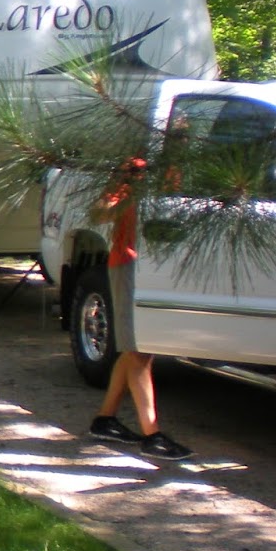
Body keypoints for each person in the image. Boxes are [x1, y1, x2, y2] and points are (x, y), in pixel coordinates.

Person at [87, 156, 193, 460]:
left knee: (136, 349)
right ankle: (152, 435)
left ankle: (105, 419)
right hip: (128, 265)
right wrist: (133, 196)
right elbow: (98, 214)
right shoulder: (137, 168)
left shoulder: (182, 166)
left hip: (156, 268)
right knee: (139, 351)